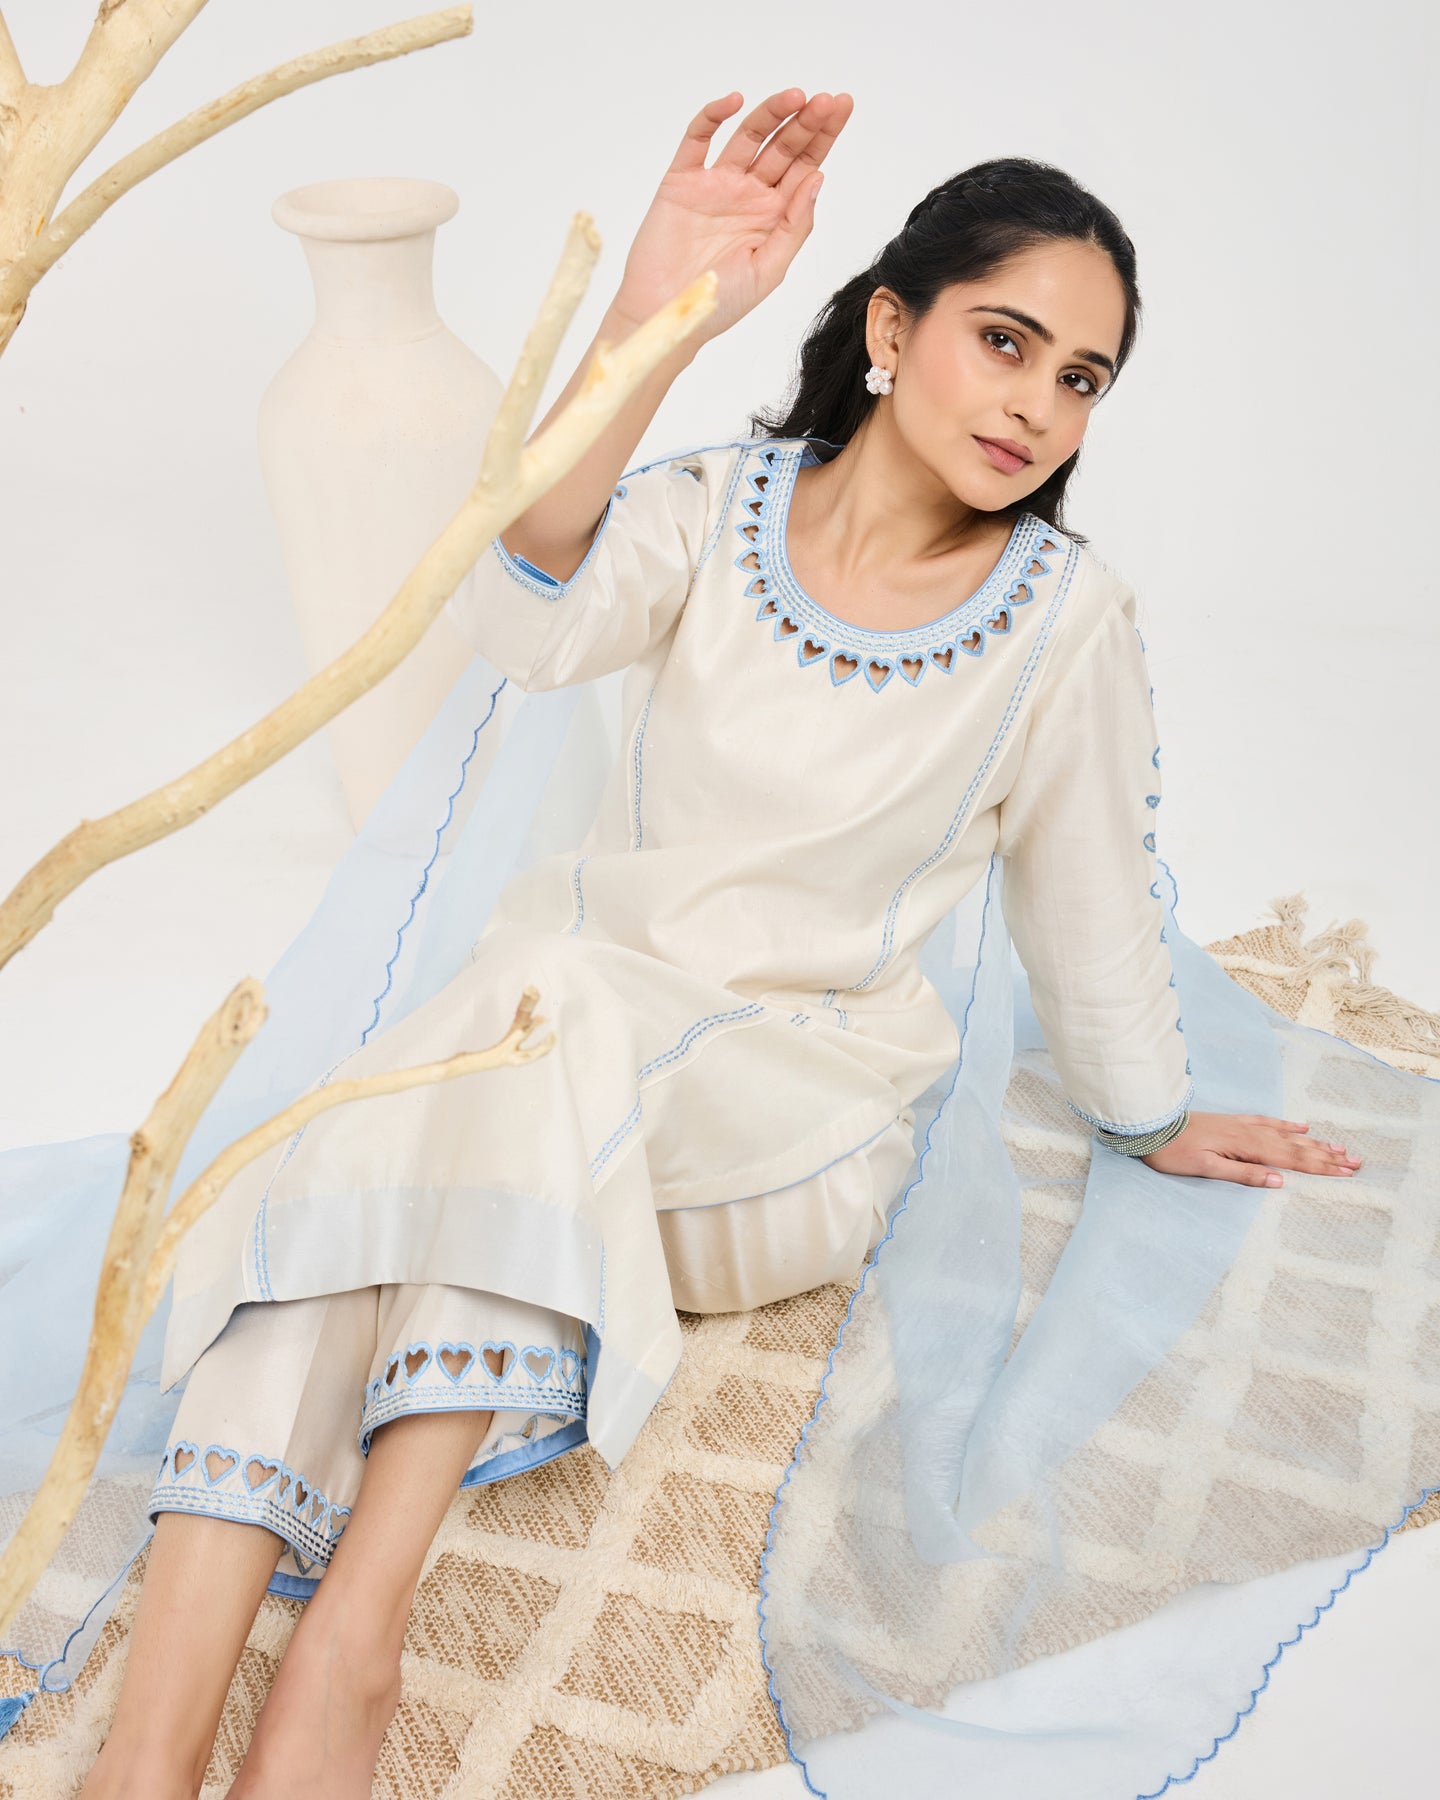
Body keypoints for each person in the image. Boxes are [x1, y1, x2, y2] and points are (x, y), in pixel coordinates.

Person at [58, 86, 1370, 1799]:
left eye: (1081, 379)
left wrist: (1151, 1111)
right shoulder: (710, 513)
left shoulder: (1065, 625)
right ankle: (145, 1761)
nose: (1038, 405)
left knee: (509, 1036)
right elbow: (520, 610)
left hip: (790, 1126)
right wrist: (656, 308)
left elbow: (1091, 903)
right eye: (1005, 341)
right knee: (344, 1165)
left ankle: (350, 1646)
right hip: (558, 1067)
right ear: (889, 331)